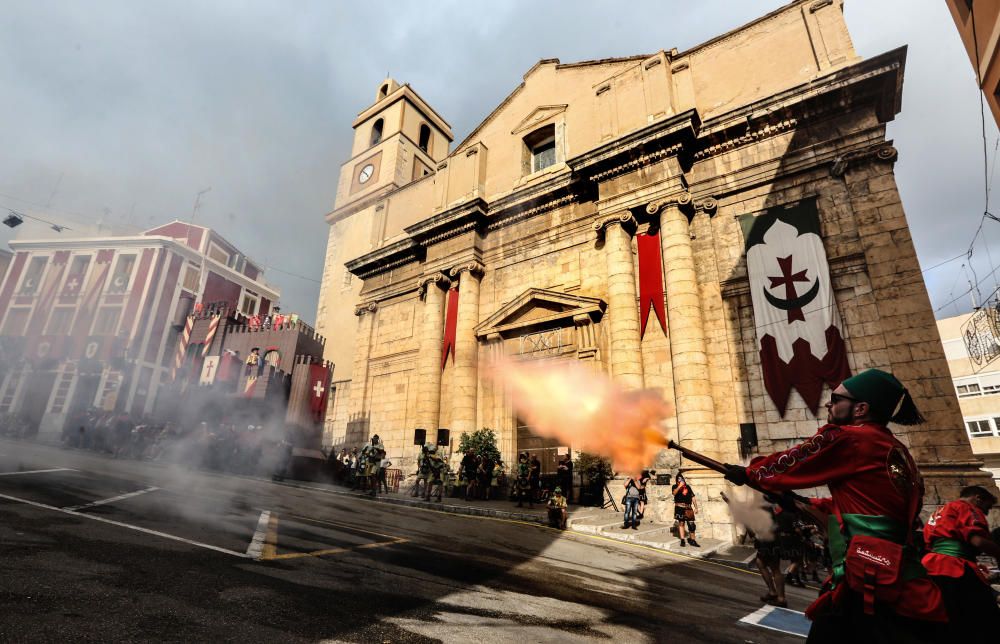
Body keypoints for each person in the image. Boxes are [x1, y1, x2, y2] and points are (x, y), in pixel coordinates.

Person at [723, 368, 947, 642]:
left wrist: (749, 473)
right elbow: (869, 506)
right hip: (898, 568)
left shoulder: (850, 438)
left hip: (869, 572)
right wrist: (806, 502)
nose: (829, 404)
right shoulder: (896, 449)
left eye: (836, 399)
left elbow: (794, 460)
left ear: (861, 408)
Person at [922, 485, 1000, 639]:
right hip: (955, 568)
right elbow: (977, 541)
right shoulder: (966, 508)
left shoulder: (939, 511)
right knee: (986, 620)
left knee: (947, 618)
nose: (985, 512)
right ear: (978, 498)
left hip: (931, 565)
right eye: (987, 507)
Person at [672, 474, 700, 547]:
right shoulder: (675, 486)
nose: (680, 480)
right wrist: (679, 486)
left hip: (688, 508)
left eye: (681, 478)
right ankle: (682, 540)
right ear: (676, 480)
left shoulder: (688, 487)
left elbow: (693, 497)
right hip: (679, 507)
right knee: (681, 523)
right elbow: (674, 493)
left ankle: (692, 540)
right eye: (678, 479)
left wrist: (696, 507)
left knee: (692, 525)